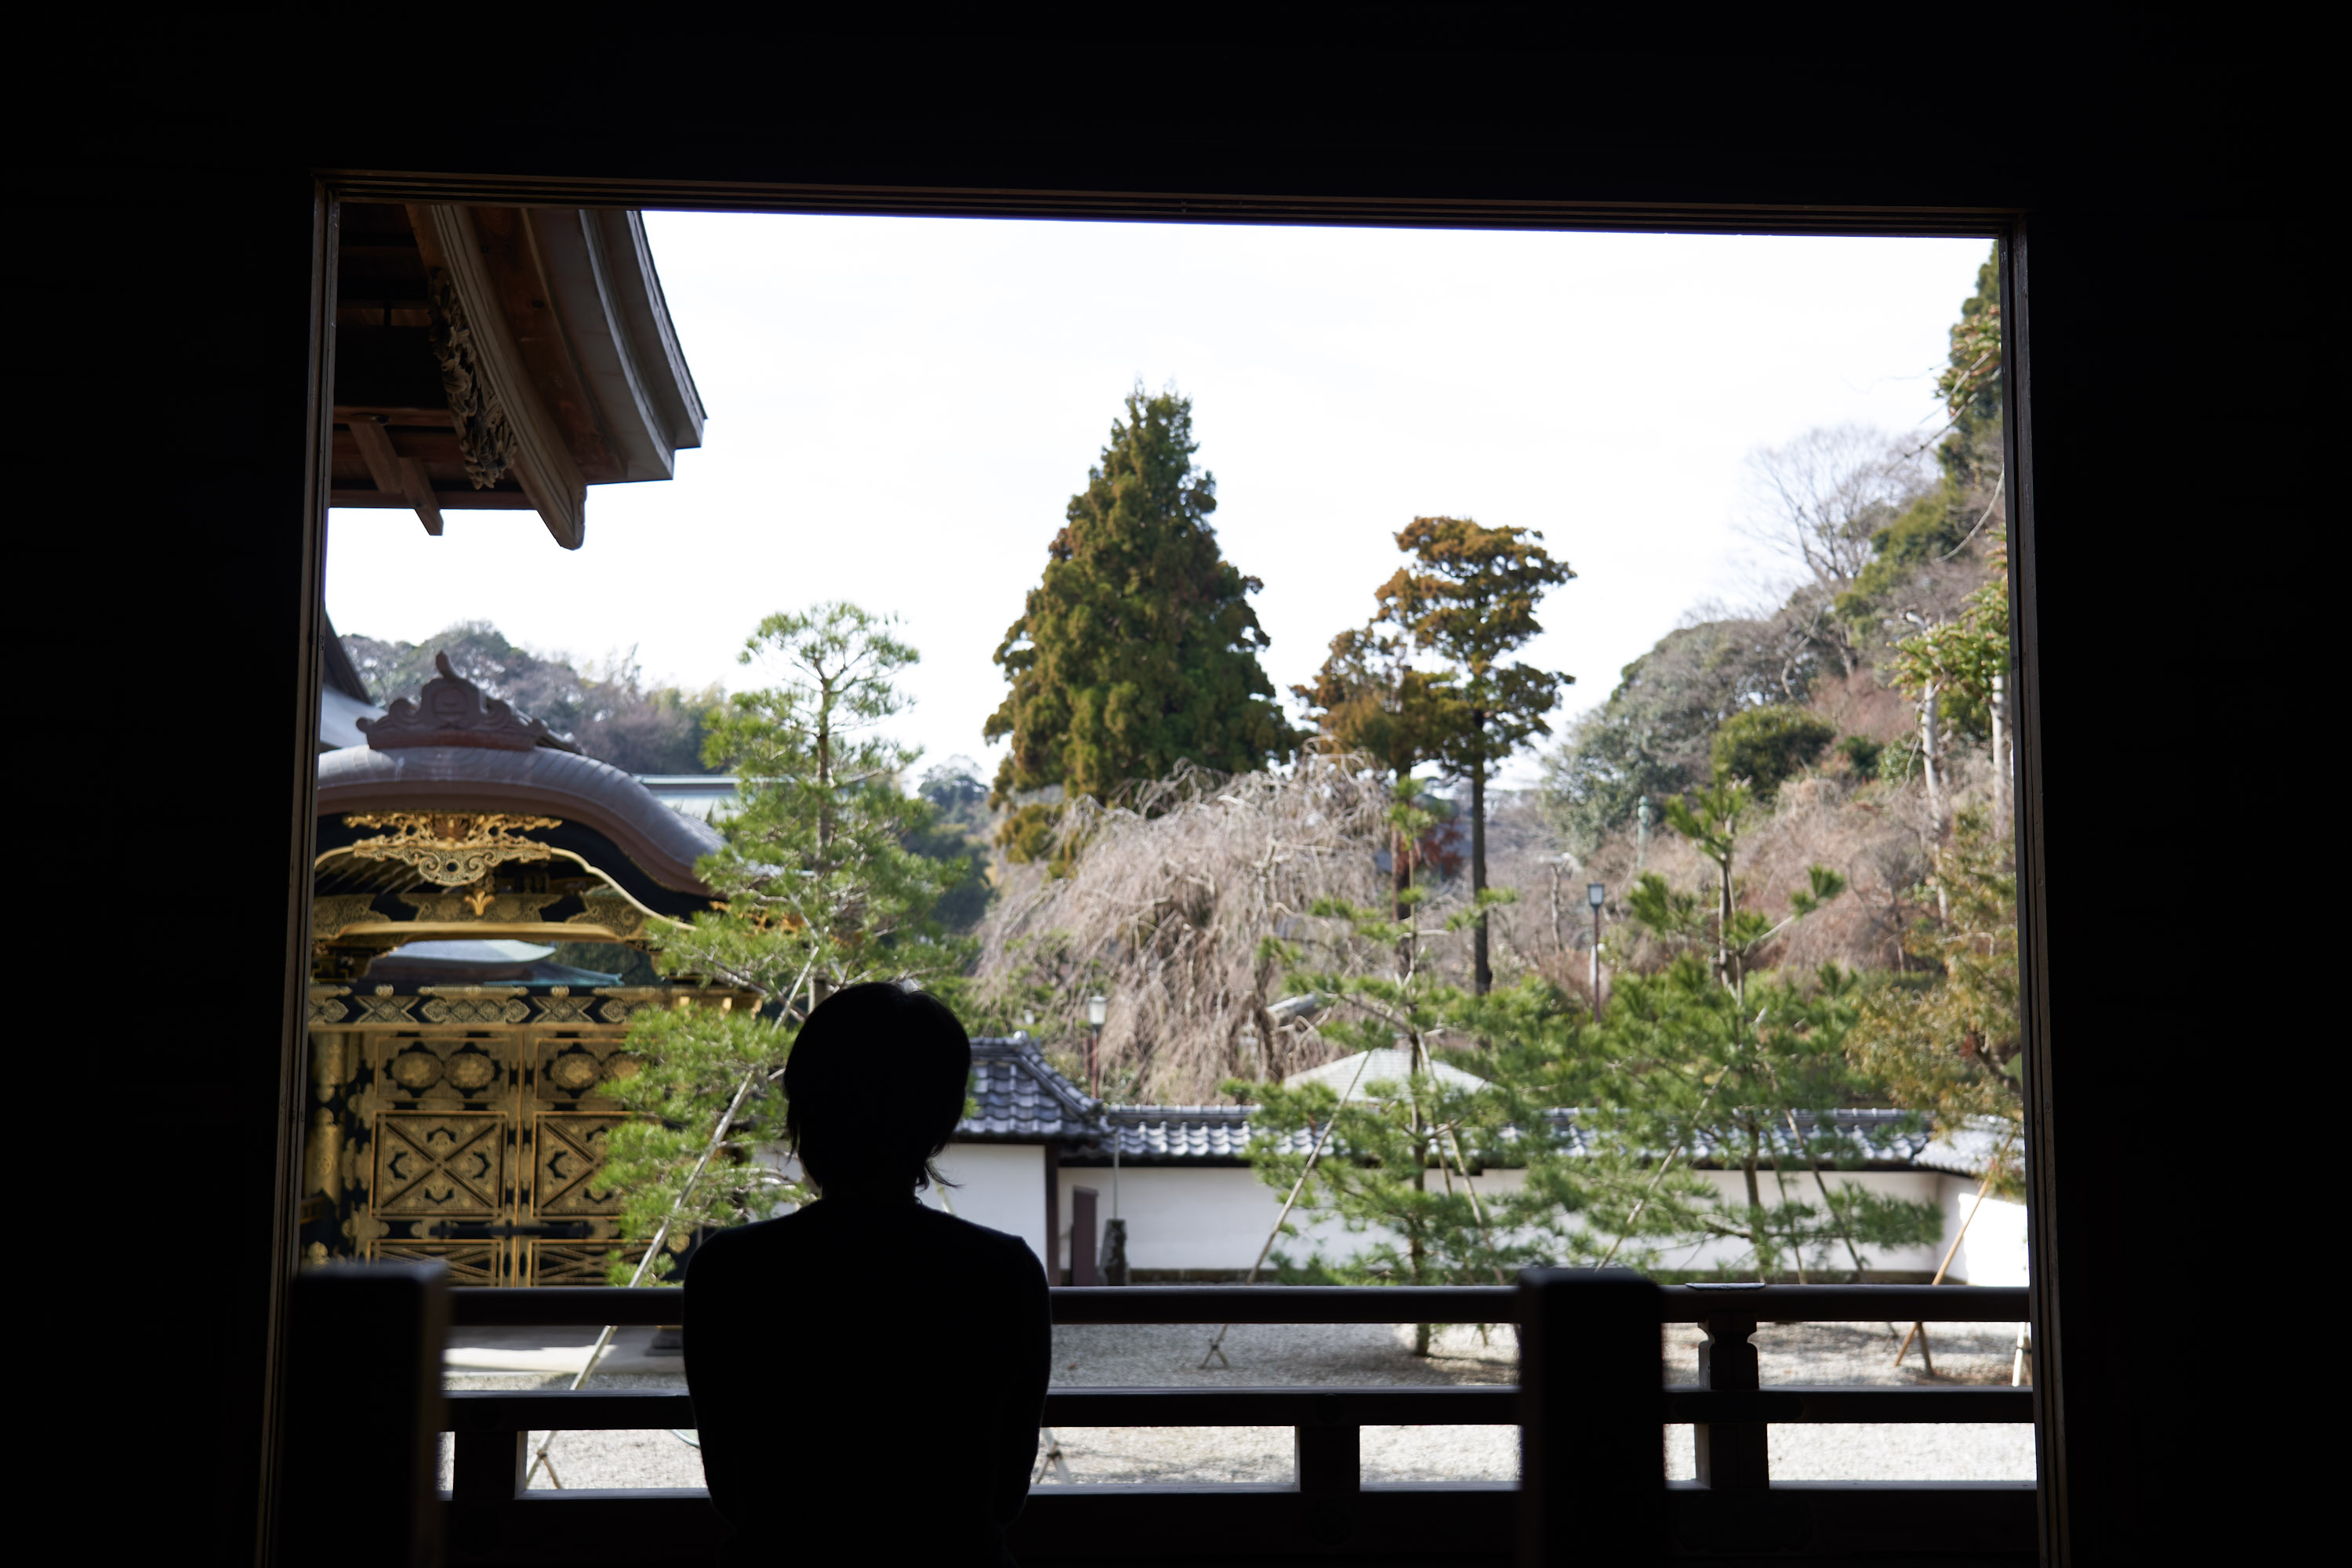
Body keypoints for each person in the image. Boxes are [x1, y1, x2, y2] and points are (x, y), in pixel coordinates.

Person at [685, 983, 1051, 1566]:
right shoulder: (1003, 1272)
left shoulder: (729, 1270)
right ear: (942, 1119)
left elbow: (732, 1490)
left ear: (803, 1109)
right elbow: (1005, 1492)